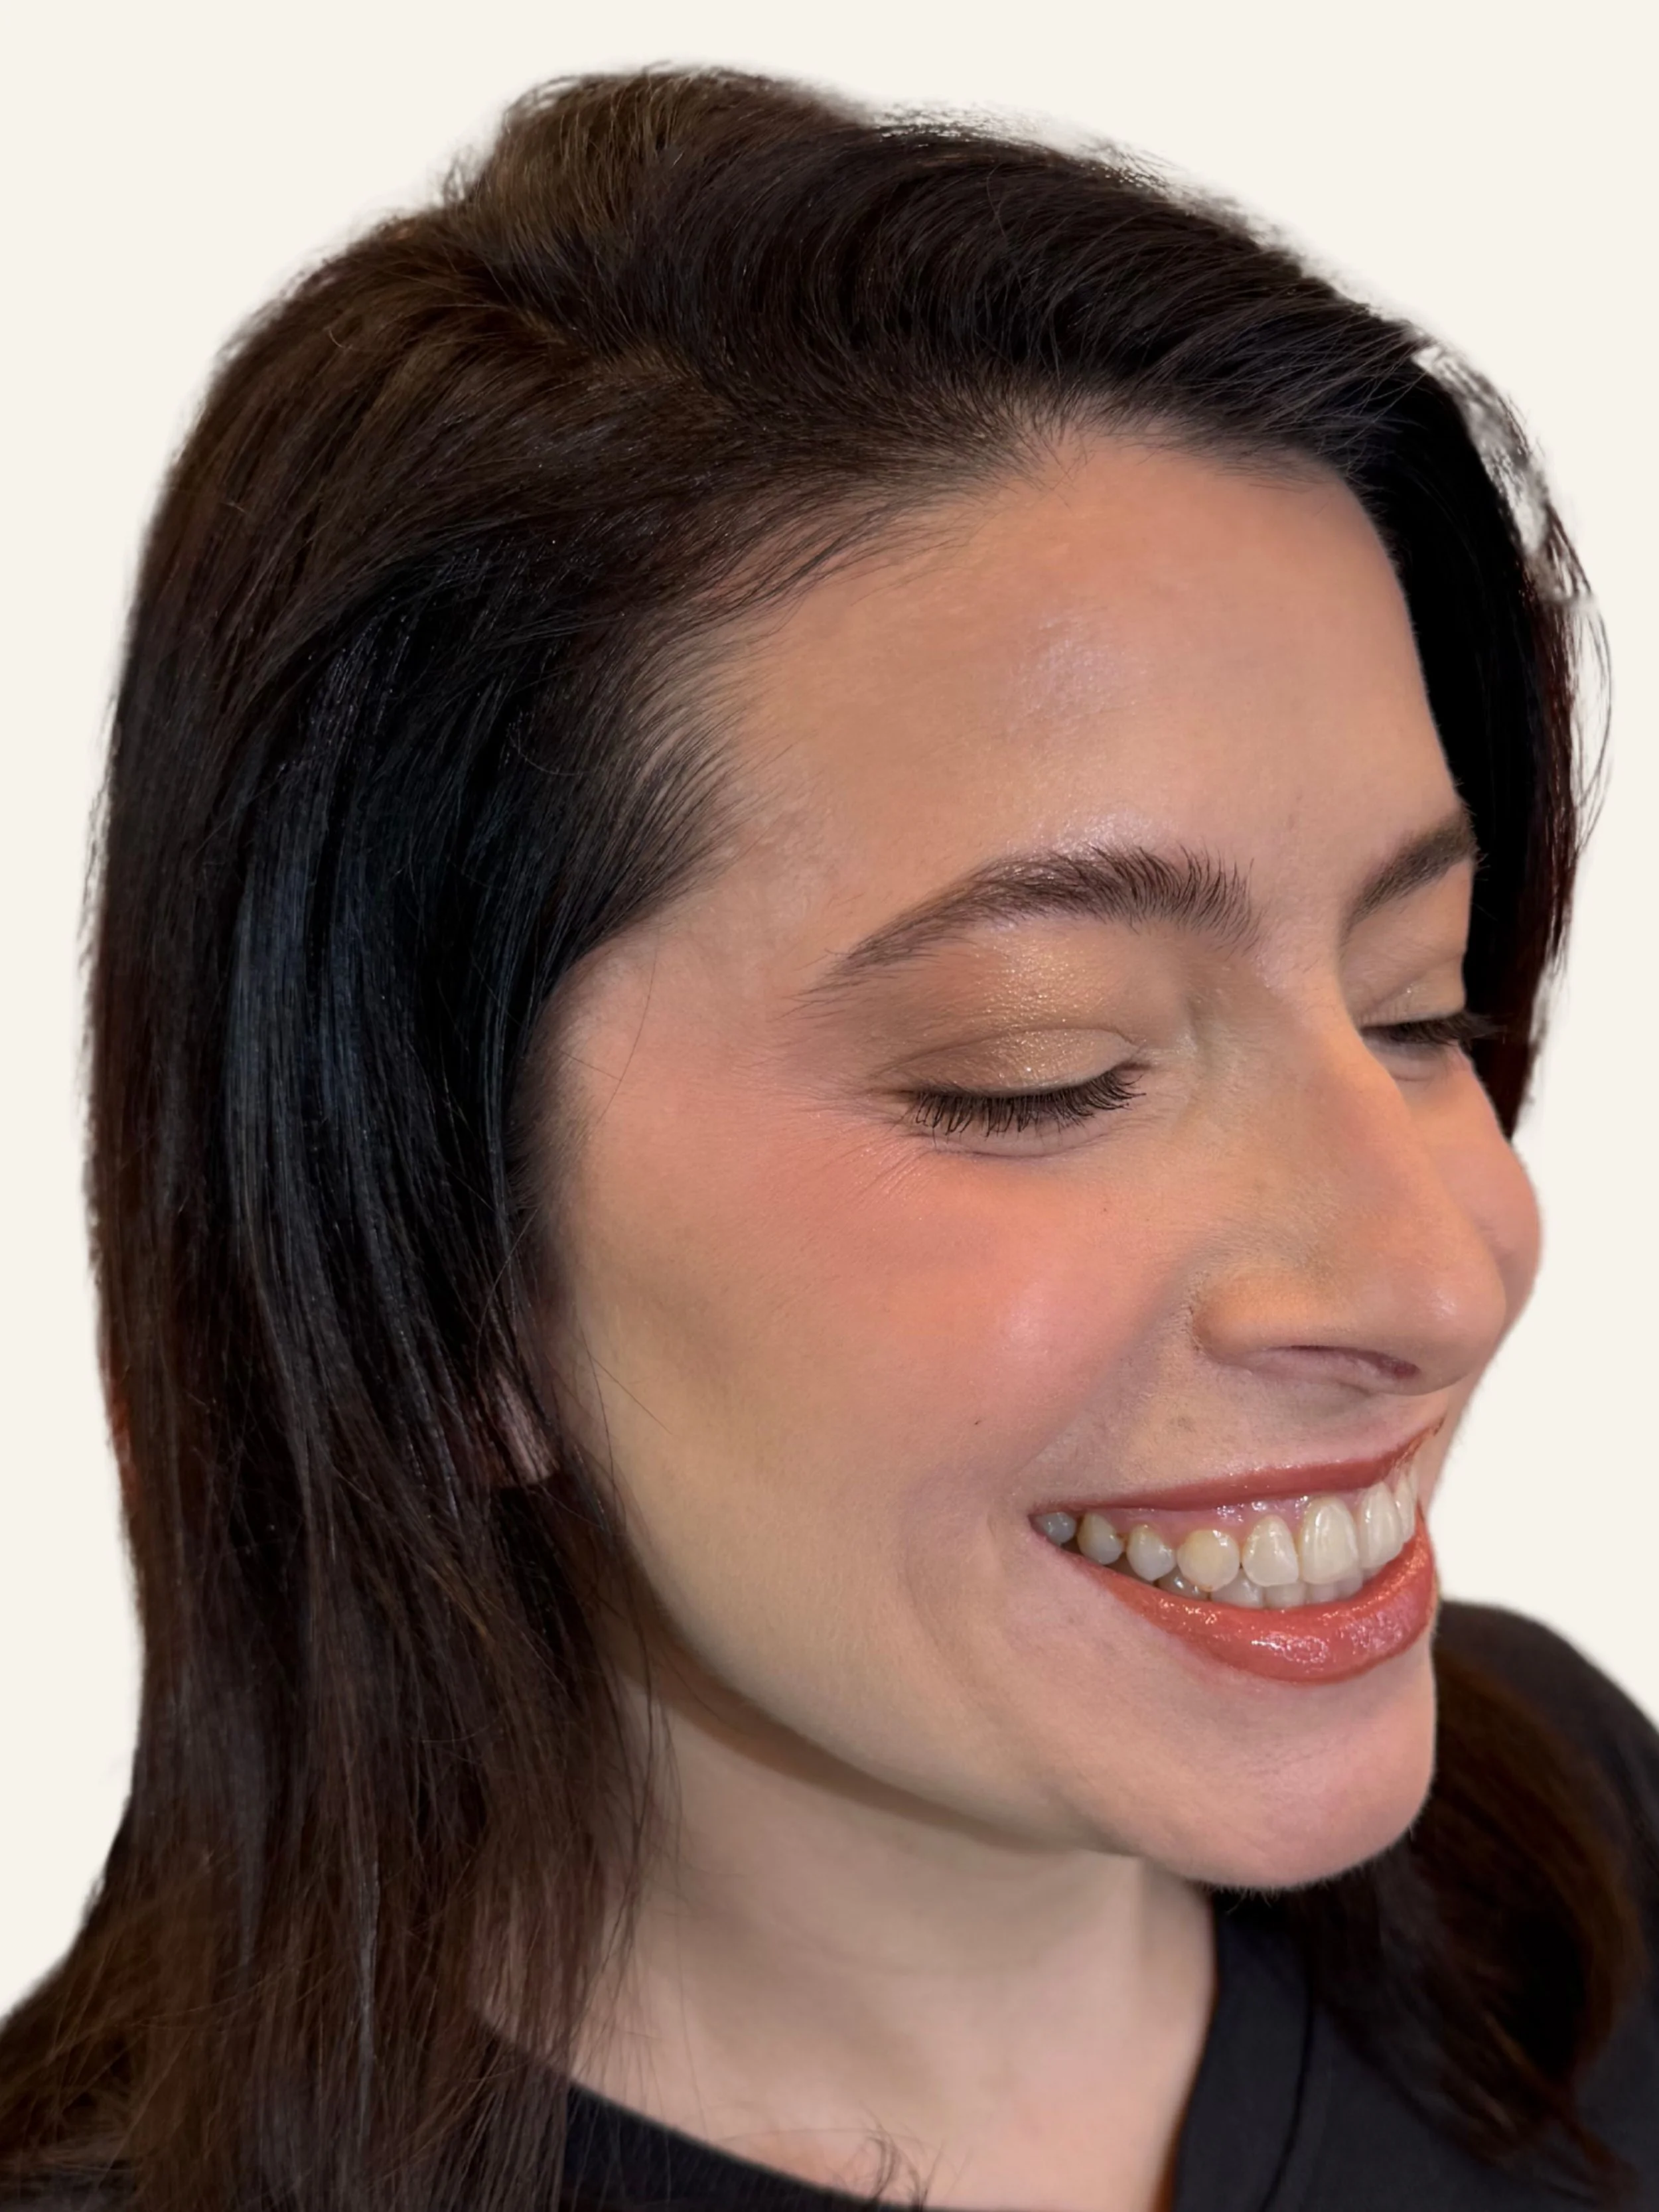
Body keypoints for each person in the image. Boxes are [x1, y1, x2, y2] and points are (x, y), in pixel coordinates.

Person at [1, 64, 1655, 2212]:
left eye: (1414, 1005)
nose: (1441, 1268)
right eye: (1040, 1070)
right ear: (433, 1267)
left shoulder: (1568, 1866)